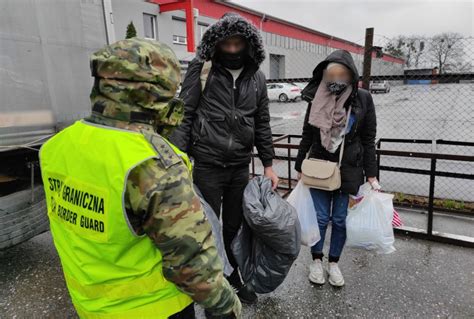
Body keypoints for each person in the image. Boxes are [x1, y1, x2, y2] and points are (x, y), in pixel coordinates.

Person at [39, 38, 240, 319]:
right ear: (154, 92)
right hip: (154, 308)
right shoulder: (152, 164)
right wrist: (227, 306)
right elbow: (193, 265)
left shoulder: (56, 146)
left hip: (88, 305)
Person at [170, 13, 278, 304]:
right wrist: (178, 157)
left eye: (237, 43)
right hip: (206, 163)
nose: (232, 49)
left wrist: (268, 164)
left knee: (234, 225)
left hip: (239, 166)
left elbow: (262, 122)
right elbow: (184, 114)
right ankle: (207, 280)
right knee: (204, 225)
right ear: (217, 43)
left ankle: (232, 276)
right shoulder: (202, 69)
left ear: (248, 44)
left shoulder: (256, 78)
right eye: (226, 43)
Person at [295, 50, 379, 287]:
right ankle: (316, 260)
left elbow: (368, 138)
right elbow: (307, 136)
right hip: (319, 167)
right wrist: (299, 165)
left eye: (342, 73)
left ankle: (334, 263)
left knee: (340, 219)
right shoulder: (316, 97)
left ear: (351, 74)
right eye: (332, 73)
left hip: (349, 169)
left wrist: (371, 175)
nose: (336, 78)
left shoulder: (363, 98)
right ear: (324, 74)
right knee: (320, 218)